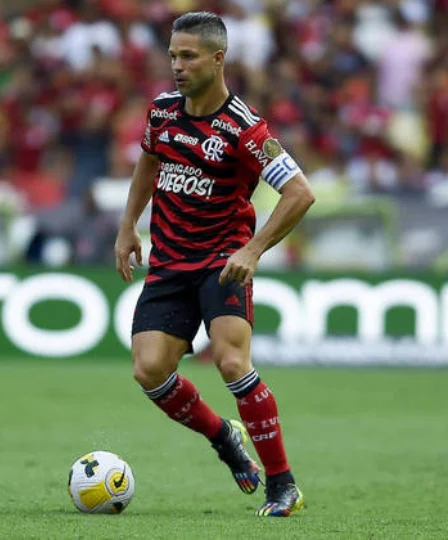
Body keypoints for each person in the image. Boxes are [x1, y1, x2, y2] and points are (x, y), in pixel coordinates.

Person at [113, 12, 315, 517]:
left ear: (217, 58)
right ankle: (223, 435)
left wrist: (252, 250)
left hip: (221, 263)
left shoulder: (246, 129)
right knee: (149, 370)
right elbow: (149, 159)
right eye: (173, 56)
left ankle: (282, 484)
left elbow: (299, 193)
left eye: (188, 56)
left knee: (230, 362)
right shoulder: (162, 112)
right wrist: (127, 226)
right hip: (168, 263)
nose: (177, 66)